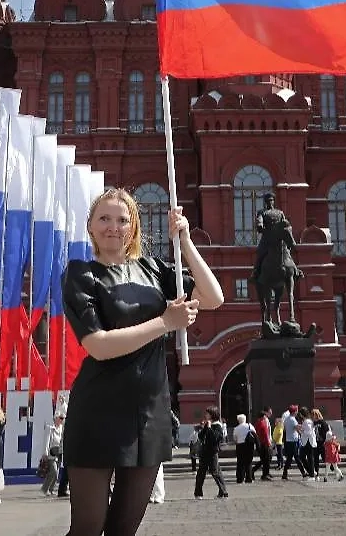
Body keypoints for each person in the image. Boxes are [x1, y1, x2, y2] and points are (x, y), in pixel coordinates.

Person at [62, 190, 223, 534]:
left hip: (149, 414)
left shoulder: (155, 270)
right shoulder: (81, 274)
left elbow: (213, 297)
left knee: (123, 530)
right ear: (90, 225)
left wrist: (186, 242)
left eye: (123, 220)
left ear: (134, 227)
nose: (113, 227)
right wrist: (166, 321)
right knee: (87, 529)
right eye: (104, 218)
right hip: (97, 411)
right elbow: (98, 346)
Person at [193, 406, 229, 499]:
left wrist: (208, 428)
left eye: (208, 413)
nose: (206, 415)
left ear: (212, 414)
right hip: (204, 452)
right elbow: (201, 436)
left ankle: (223, 492)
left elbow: (215, 439)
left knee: (215, 472)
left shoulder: (218, 426)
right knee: (201, 473)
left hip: (212, 453)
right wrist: (204, 428)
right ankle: (198, 493)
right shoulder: (208, 424)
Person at [41, 414, 65, 496]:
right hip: (51, 453)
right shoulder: (50, 428)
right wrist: (45, 453)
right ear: (56, 418)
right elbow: (46, 441)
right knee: (54, 471)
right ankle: (45, 488)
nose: (62, 420)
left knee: (56, 473)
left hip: (59, 453)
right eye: (60, 418)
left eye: (63, 418)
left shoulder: (61, 428)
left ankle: (51, 489)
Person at [232, 414, 256, 483]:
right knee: (248, 462)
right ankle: (249, 478)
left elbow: (235, 439)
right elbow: (254, 434)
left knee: (240, 463)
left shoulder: (236, 428)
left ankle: (240, 478)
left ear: (238, 420)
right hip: (249, 446)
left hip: (240, 446)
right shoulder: (249, 426)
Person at [251, 407, 273, 481]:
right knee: (266, 460)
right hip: (264, 443)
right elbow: (266, 434)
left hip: (261, 443)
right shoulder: (263, 423)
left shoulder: (258, 422)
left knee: (265, 460)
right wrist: (268, 443)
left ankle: (264, 473)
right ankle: (264, 474)